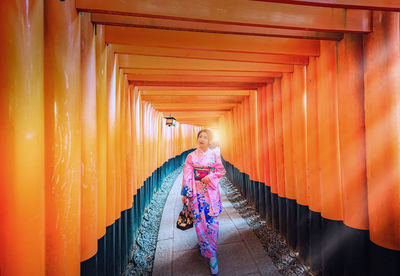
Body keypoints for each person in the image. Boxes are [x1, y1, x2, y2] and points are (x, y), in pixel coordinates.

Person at [181, 129, 226, 275]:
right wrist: (186, 194)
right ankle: (204, 245)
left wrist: (211, 177)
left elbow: (221, 171)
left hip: (211, 194)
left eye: (205, 137)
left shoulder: (214, 155)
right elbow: (187, 175)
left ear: (209, 140)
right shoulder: (191, 156)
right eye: (200, 136)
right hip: (196, 194)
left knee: (212, 223)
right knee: (200, 223)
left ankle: (212, 256)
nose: (202, 139)